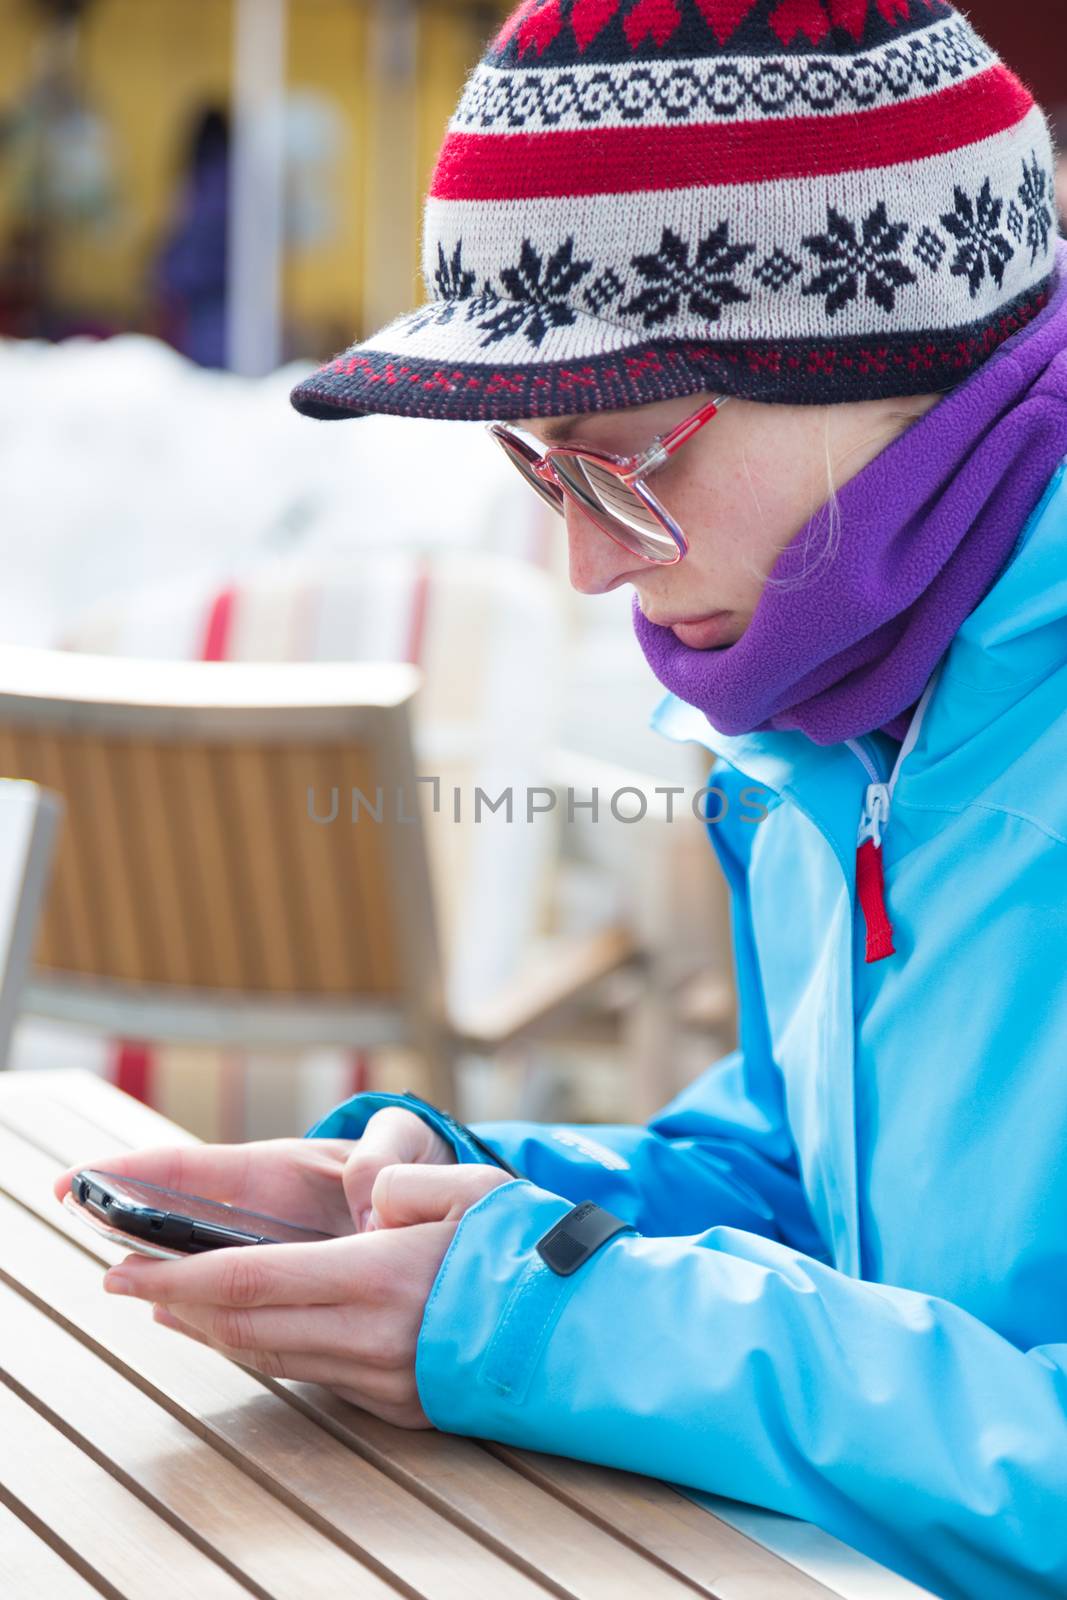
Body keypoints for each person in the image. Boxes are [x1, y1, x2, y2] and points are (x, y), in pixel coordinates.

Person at [54, 5, 1067, 1596]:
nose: (591, 564)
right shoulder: (847, 707)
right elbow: (814, 1181)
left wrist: (542, 1316)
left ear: (894, 354)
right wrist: (458, 1207)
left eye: (621, 456)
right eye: (542, 471)